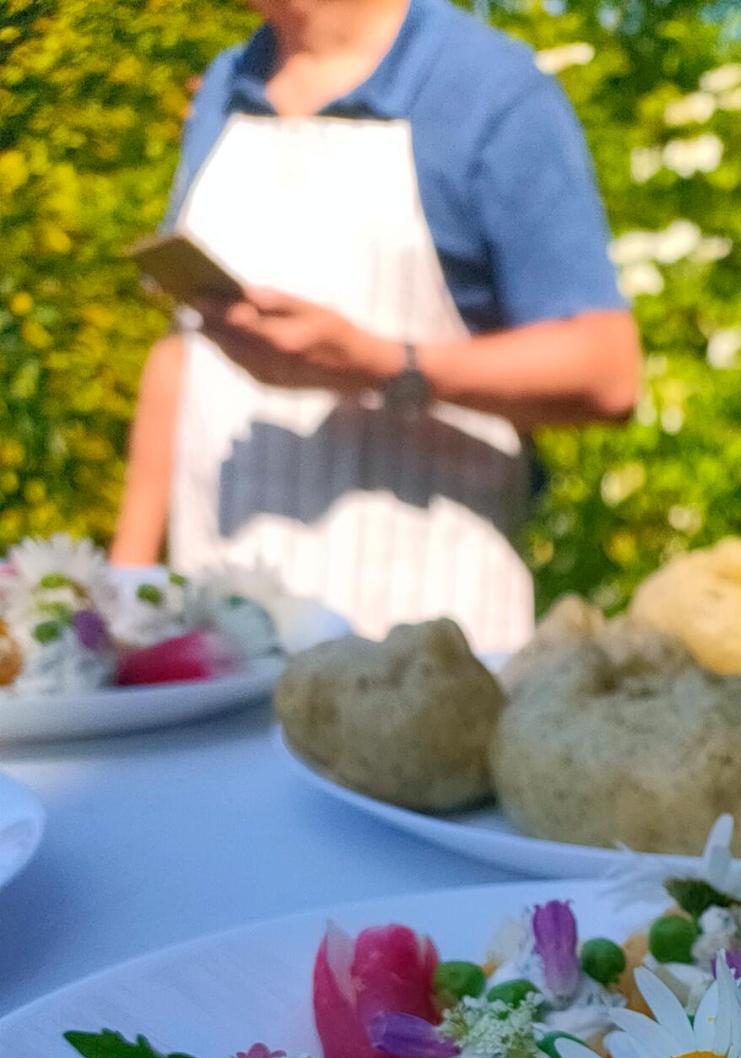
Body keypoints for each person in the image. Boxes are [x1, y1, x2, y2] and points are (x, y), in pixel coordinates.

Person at [111, 0, 639, 649]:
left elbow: (607, 370)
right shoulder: (227, 84)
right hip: (221, 664)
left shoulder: (490, 91)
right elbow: (183, 349)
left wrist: (383, 364)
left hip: (430, 662)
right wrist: (124, 594)